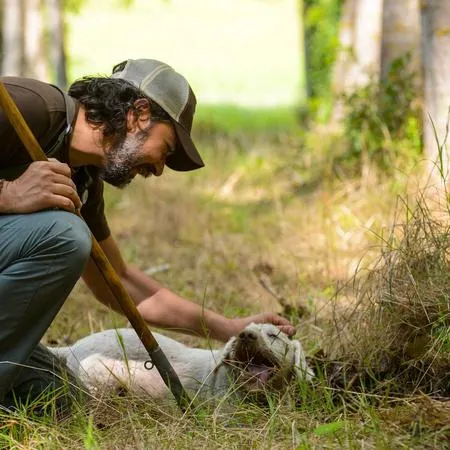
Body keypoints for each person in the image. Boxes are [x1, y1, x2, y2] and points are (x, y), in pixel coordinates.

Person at [0, 58, 294, 413]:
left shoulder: (83, 181)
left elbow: (118, 281)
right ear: (139, 114)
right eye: (165, 151)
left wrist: (228, 327)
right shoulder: (29, 107)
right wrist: (9, 195)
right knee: (64, 234)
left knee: (57, 397)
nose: (157, 169)